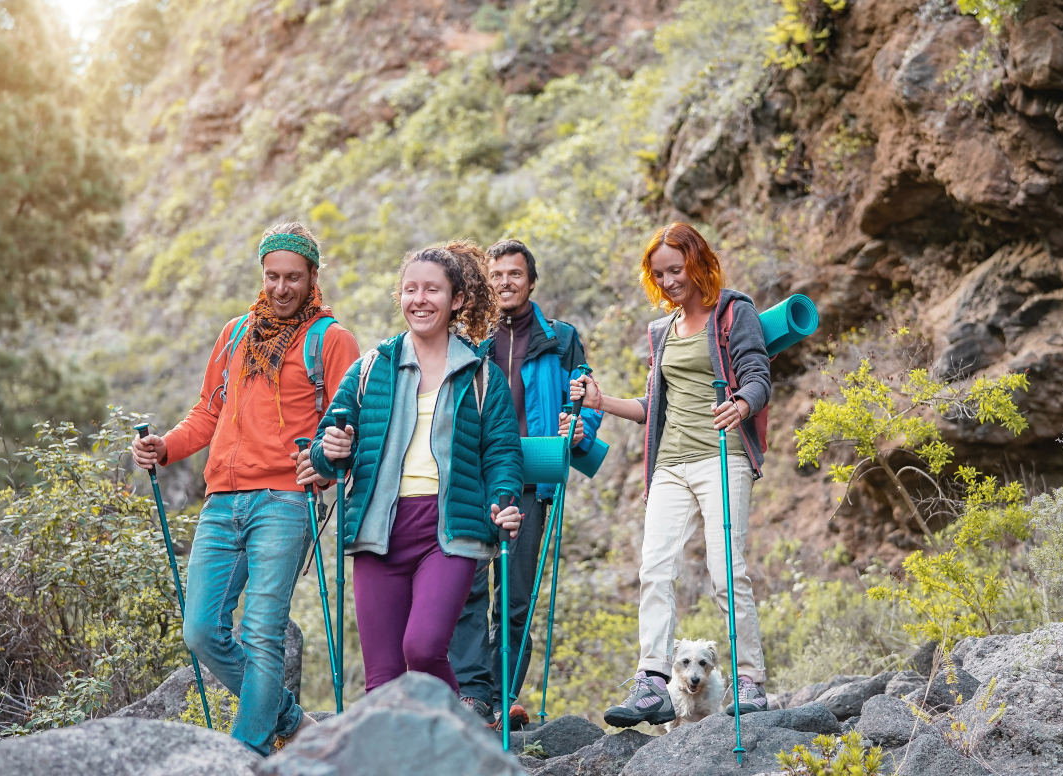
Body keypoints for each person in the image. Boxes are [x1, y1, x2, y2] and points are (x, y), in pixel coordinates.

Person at [131, 223, 360, 755]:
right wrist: (165, 447)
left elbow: (348, 426)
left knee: (261, 632)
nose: (281, 287)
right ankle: (290, 720)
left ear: (313, 277)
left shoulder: (332, 340)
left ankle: (247, 753)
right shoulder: (236, 334)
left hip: (285, 502)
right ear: (262, 274)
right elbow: (207, 412)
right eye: (272, 276)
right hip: (221, 501)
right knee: (200, 631)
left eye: (293, 277)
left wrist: (325, 469)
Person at [570, 222, 772, 727]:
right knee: (655, 571)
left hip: (722, 457)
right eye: (659, 274)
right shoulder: (661, 331)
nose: (668, 281)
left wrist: (742, 404)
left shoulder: (733, 312)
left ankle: (750, 679)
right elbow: (651, 407)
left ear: (698, 263)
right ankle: (653, 682)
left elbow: (758, 376)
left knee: (727, 574)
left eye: (676, 270)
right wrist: (600, 401)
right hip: (670, 465)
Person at [299, 244, 524, 695]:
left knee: (422, 648)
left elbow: (502, 454)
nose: (419, 299)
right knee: (382, 679)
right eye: (410, 289)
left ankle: (457, 728)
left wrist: (504, 501)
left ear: (457, 299)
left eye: (432, 290)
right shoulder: (370, 369)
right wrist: (331, 449)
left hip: (449, 529)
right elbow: (324, 450)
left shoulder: (481, 376)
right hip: (379, 528)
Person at [447, 238, 603, 728]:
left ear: (531, 281)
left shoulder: (560, 338)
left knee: (516, 596)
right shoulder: (470, 339)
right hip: (473, 476)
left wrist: (580, 427)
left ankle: (504, 695)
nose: (505, 282)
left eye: (514, 274)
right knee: (467, 587)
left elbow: (586, 397)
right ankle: (473, 694)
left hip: (533, 480)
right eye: (496, 275)